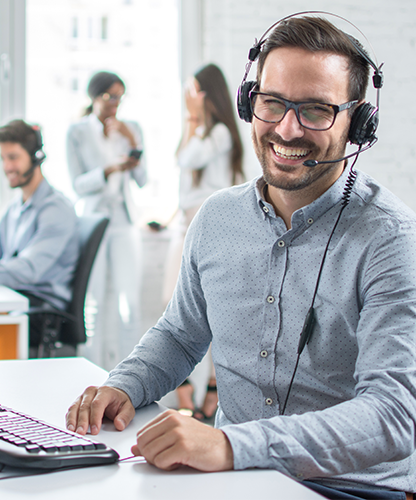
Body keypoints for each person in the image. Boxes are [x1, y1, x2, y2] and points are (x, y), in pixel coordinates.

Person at [66, 15, 416, 500]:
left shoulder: (393, 239)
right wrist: (125, 386)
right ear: (250, 103)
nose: (288, 128)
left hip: (349, 490)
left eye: (316, 110)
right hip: (235, 482)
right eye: (273, 103)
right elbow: (181, 336)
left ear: (357, 123)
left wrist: (229, 446)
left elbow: (393, 417)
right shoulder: (217, 218)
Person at [0, 119, 80, 345]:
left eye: (13, 157)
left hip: (40, 313)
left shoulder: (56, 210)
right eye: (3, 158)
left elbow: (28, 270)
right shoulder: (14, 209)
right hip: (15, 300)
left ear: (36, 157)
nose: (7, 167)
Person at [165, 63, 244, 422]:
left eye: (195, 91)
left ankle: (210, 389)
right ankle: (184, 391)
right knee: (174, 309)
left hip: (209, 228)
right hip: (183, 225)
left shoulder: (222, 134)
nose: (190, 99)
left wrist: (193, 122)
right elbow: (181, 164)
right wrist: (190, 122)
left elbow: (188, 158)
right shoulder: (200, 132)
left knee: (212, 311)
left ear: (209, 94)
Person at [66, 71, 148, 370]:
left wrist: (130, 140)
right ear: (94, 97)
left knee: (130, 305)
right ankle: (90, 374)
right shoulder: (77, 132)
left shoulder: (131, 128)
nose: (115, 104)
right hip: (93, 221)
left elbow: (142, 178)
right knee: (93, 303)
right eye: (109, 97)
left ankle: (133, 377)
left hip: (124, 221)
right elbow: (78, 184)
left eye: (119, 97)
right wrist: (109, 170)